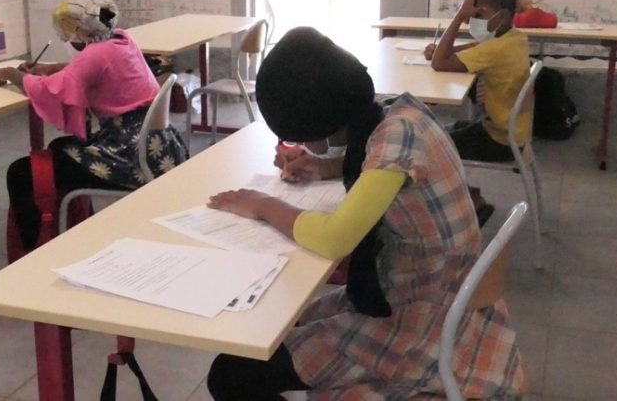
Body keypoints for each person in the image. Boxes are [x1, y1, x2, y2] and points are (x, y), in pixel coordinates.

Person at [205, 27, 524, 400]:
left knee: (232, 374)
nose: (303, 145)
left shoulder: (394, 141)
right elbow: (387, 174)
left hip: (417, 319)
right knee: (272, 327)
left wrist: (263, 205)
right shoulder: (401, 115)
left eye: (301, 135)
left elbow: (334, 238)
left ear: (318, 120)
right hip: (437, 294)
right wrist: (326, 165)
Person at [0, 0, 187, 251]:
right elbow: (81, 69)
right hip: (159, 147)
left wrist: (12, 74)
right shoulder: (121, 39)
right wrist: (47, 68)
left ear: (78, 28)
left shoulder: (94, 56)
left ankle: (32, 249)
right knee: (59, 147)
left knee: (21, 172)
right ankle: (72, 222)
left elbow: (50, 89)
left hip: (129, 156)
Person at [424, 0, 531, 224]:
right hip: (511, 132)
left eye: (479, 13)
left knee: (429, 148)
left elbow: (440, 64)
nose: (473, 19)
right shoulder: (514, 38)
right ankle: (468, 196)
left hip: (499, 140)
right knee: (445, 132)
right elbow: (476, 47)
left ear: (502, 15)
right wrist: (445, 49)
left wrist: (459, 15)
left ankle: (466, 204)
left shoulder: (496, 50)